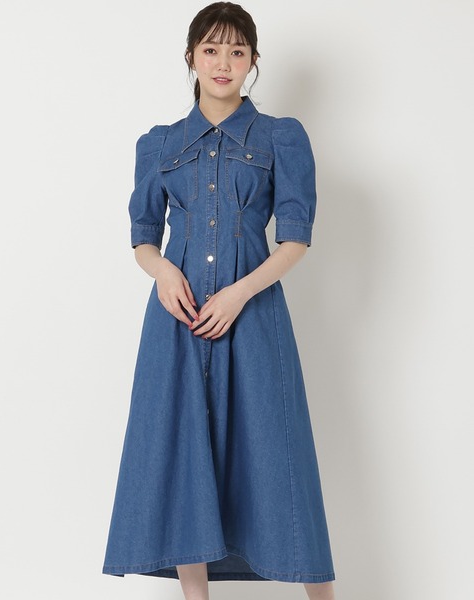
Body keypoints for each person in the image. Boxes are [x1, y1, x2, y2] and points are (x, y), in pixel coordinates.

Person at [102, 2, 337, 599]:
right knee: (184, 454)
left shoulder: (281, 136)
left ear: (253, 60)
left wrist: (240, 292)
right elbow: (142, 238)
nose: (223, 62)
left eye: (237, 50)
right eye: (211, 49)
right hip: (177, 322)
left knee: (279, 458)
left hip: (253, 316)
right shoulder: (159, 143)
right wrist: (161, 271)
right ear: (191, 57)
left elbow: (295, 239)